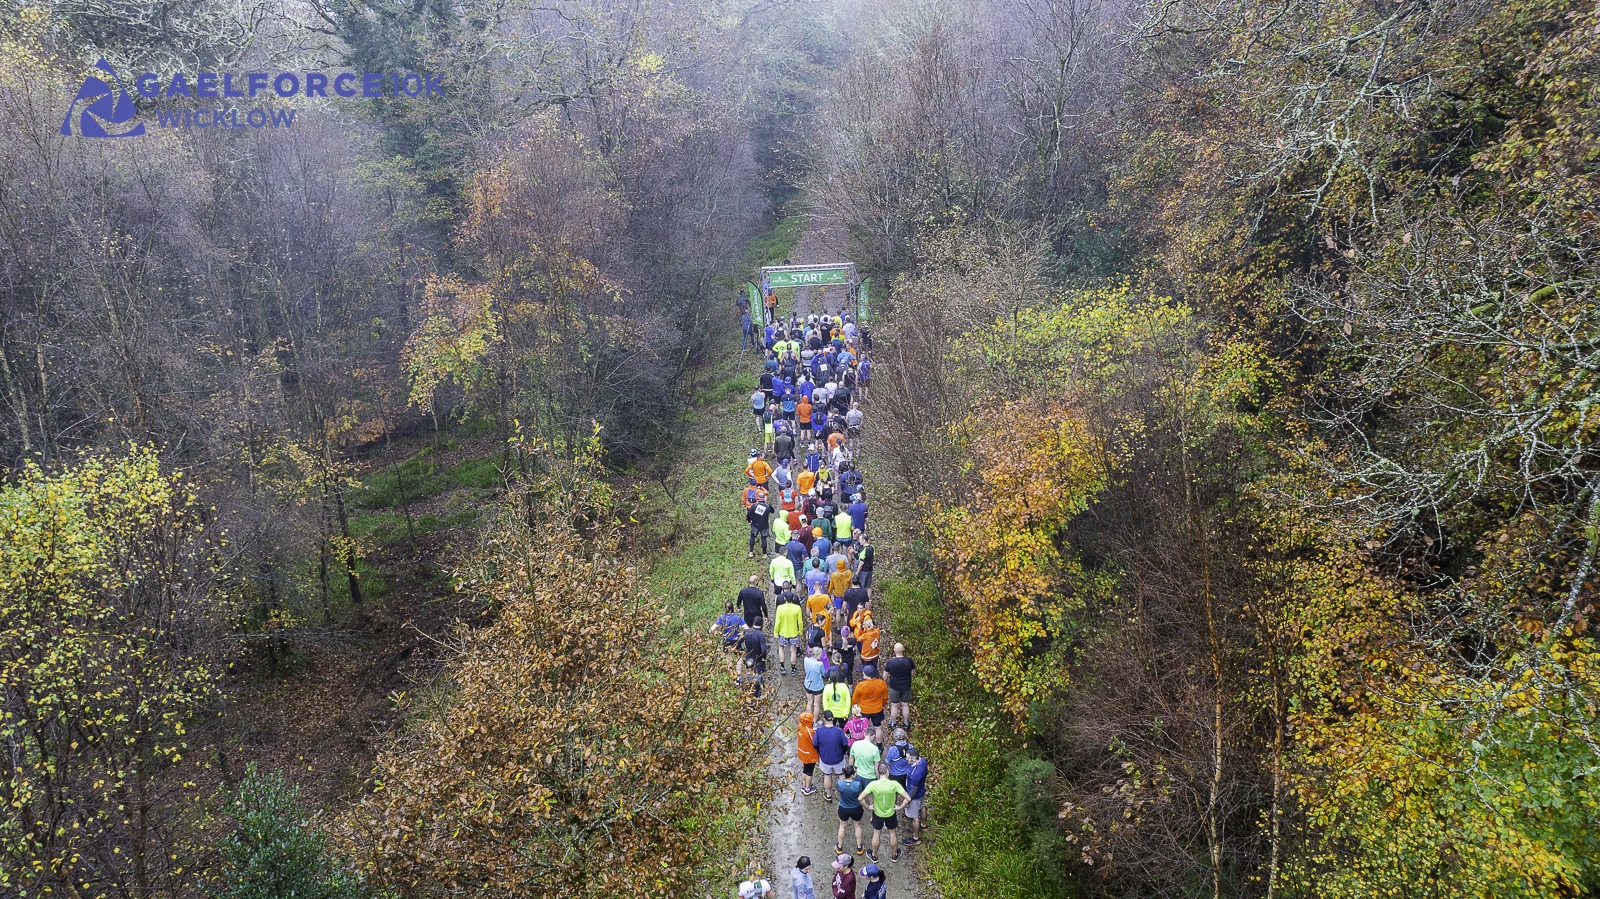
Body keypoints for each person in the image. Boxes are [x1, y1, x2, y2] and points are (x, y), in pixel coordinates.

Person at [860, 762, 912, 862]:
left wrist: (868, 807)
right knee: (892, 833)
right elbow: (908, 798)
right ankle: (894, 855)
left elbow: (860, 798)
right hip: (891, 813)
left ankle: (874, 856)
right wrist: (900, 807)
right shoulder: (894, 784)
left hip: (877, 813)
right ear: (887, 771)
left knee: (876, 833)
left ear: (878, 772)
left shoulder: (873, 784)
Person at [814, 711, 850, 800]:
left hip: (825, 759)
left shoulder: (819, 731)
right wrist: (843, 753)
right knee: (842, 776)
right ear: (833, 718)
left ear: (823, 719)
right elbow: (845, 744)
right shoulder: (839, 731)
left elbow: (815, 744)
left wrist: (820, 753)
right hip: (838, 758)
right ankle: (845, 795)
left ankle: (828, 795)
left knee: (827, 776)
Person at [835, 764, 869, 856]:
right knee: (857, 826)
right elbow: (860, 795)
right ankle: (859, 847)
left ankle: (839, 847)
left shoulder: (840, 783)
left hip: (843, 808)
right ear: (853, 775)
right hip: (856, 808)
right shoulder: (857, 785)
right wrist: (867, 806)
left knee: (842, 826)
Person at [853, 665, 889, 743]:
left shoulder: (860, 685)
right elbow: (885, 697)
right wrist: (882, 704)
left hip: (864, 710)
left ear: (866, 675)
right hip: (877, 709)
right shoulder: (881, 683)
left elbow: (854, 699)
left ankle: (866, 743)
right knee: (878, 728)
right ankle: (879, 745)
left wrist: (855, 708)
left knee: (865, 728)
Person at [883, 644, 914, 730]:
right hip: (906, 685)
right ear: (903, 649)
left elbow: (885, 675)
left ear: (894, 650)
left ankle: (893, 723)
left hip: (894, 686)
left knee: (894, 705)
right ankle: (906, 723)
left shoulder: (890, 662)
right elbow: (912, 672)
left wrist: (885, 682)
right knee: (905, 704)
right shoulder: (909, 660)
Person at [903, 746, 928, 845]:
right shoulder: (923, 761)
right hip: (921, 792)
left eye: (908, 758)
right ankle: (924, 825)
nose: (906, 759)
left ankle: (915, 838)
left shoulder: (915, 774)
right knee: (922, 807)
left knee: (914, 817)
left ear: (913, 759)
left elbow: (913, 790)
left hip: (915, 797)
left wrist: (908, 800)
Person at [774, 593, 804, 673]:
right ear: (793, 598)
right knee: (793, 650)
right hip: (794, 632)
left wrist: (776, 632)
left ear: (784, 599)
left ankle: (782, 667)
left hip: (783, 632)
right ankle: (793, 669)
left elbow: (777, 622)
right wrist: (800, 631)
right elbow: (800, 622)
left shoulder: (780, 608)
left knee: (781, 648)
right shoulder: (797, 608)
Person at [797, 712, 820, 796]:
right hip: (810, 755)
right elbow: (815, 743)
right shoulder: (810, 731)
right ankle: (808, 788)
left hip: (802, 752)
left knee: (805, 769)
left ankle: (804, 785)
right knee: (810, 771)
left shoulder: (800, 727)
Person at [748, 491, 774, 558]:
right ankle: (764, 554)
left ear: (757, 498)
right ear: (764, 498)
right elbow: (773, 511)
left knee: (752, 537)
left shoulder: (754, 506)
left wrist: (749, 521)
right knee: (764, 539)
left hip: (755, 525)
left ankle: (751, 552)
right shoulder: (767, 506)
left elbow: (748, 515)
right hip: (764, 525)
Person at [803, 646, 827, 720]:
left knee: (809, 702)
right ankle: (814, 721)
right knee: (816, 705)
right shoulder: (820, 664)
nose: (821, 656)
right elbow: (823, 673)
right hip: (817, 687)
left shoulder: (806, 660)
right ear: (817, 654)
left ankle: (808, 719)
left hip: (808, 684)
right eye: (820, 654)